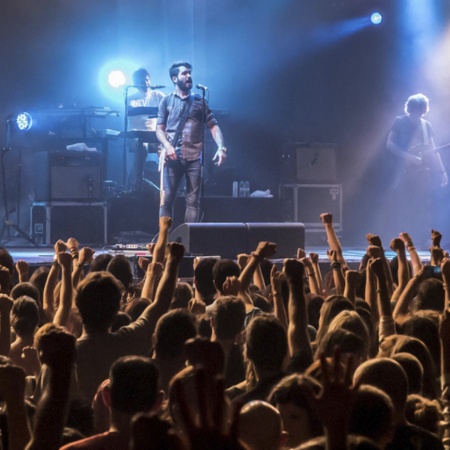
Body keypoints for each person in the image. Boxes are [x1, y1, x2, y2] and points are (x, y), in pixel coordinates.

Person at [156, 61, 227, 223]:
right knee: (166, 201)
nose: (189, 76)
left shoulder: (199, 101)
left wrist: (221, 147)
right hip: (172, 158)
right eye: (184, 73)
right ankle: (164, 242)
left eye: (190, 73)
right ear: (175, 78)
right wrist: (167, 146)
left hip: (194, 158)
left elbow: (213, 126)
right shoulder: (166, 101)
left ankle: (187, 245)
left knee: (193, 202)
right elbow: (159, 130)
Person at [386, 93, 448, 245]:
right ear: (410, 108)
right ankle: (402, 239)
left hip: (421, 175)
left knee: (423, 206)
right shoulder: (399, 121)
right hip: (401, 172)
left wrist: (442, 172)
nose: (417, 113)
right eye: (415, 110)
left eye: (420, 110)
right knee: (403, 205)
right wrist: (408, 157)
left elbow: (434, 151)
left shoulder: (426, 126)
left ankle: (420, 239)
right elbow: (390, 144)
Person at [127, 67, 165, 191]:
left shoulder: (158, 95)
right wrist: (155, 111)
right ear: (135, 83)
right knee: (142, 146)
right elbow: (132, 111)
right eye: (142, 81)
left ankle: (173, 187)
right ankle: (136, 183)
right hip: (135, 137)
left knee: (175, 145)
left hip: (154, 136)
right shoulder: (131, 98)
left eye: (147, 80)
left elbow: (171, 105)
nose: (146, 83)